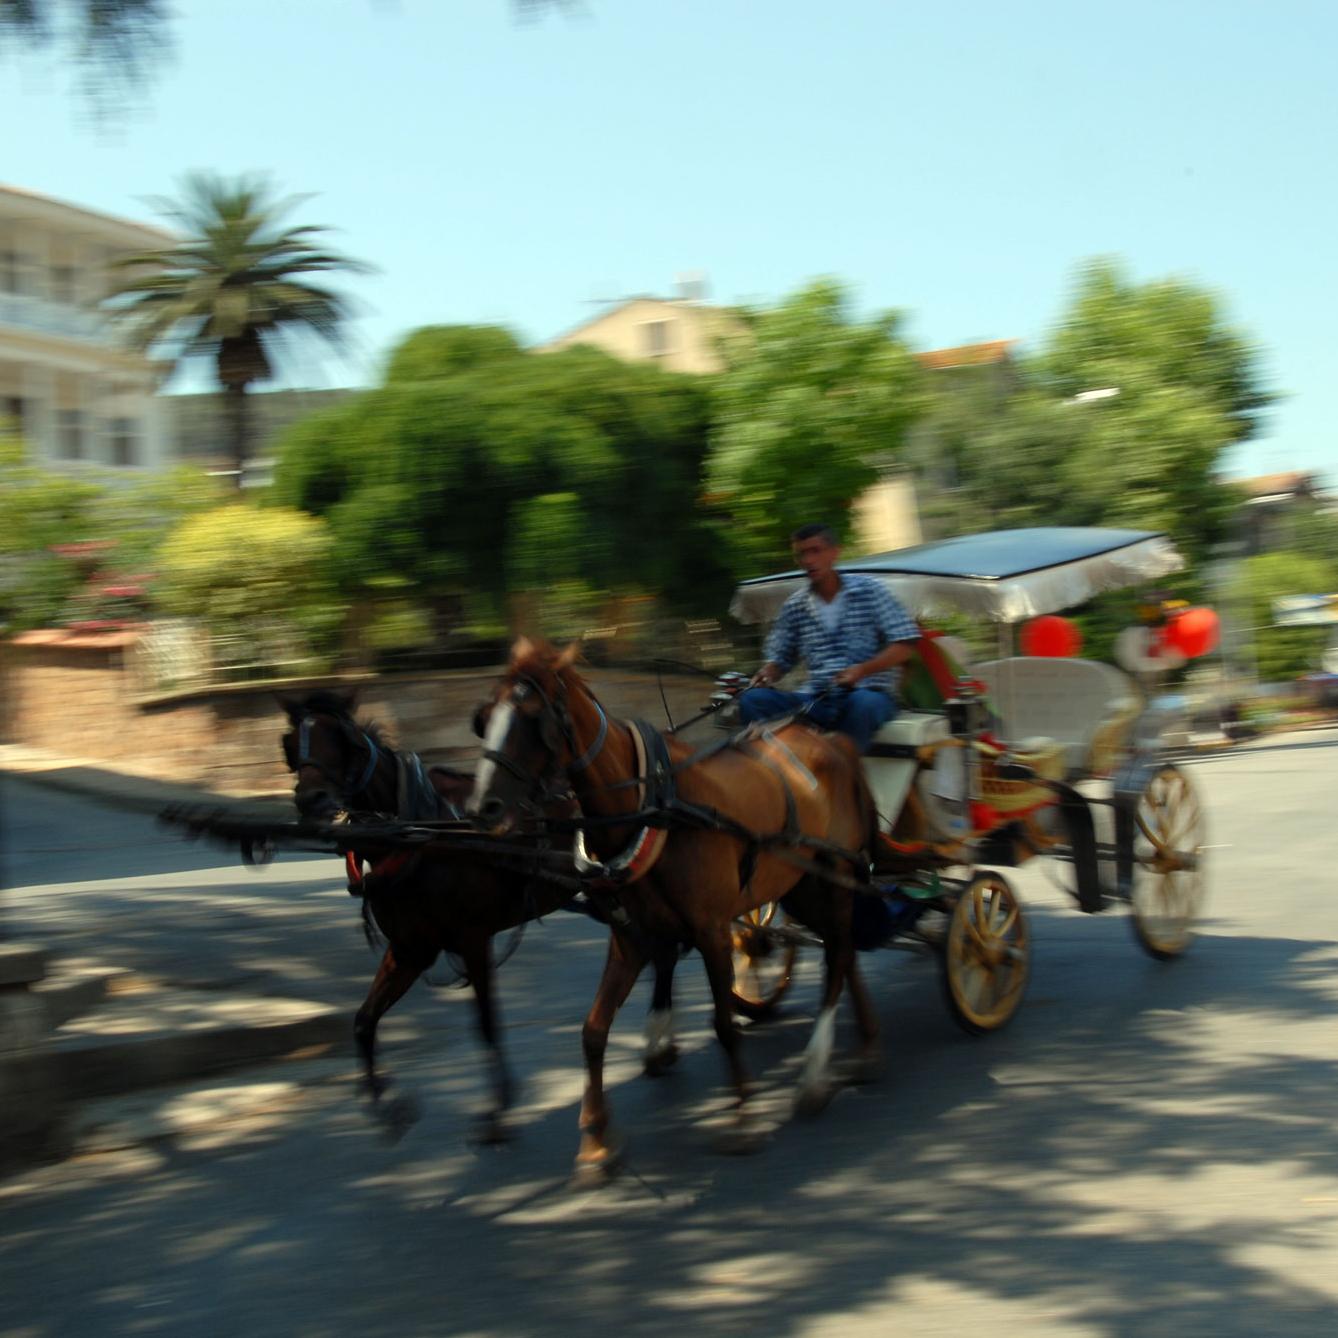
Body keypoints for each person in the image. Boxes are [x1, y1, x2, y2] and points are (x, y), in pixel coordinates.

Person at [737, 523, 920, 753]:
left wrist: (862, 670)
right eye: (801, 554)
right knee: (753, 700)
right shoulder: (795, 606)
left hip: (869, 695)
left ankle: (845, 770)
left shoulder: (870, 592)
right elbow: (781, 659)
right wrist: (767, 673)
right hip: (816, 699)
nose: (808, 560)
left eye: (815, 551)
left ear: (834, 552)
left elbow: (905, 644)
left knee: (863, 704)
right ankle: (782, 772)